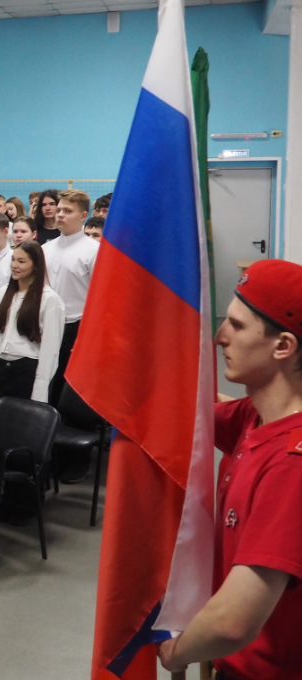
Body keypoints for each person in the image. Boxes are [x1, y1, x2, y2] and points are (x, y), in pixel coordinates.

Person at [157, 259, 302, 680]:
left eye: (236, 326)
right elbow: (195, 413)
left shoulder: (290, 466)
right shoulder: (256, 416)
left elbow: (233, 622)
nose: (220, 337)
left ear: (283, 346)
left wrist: (178, 652)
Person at [41, 190, 99, 480]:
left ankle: (76, 461)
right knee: (49, 392)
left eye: (67, 211)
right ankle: (48, 457)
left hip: (79, 329)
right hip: (48, 328)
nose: (60, 214)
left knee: (74, 396)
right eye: (59, 210)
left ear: (83, 215)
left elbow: (100, 298)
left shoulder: (93, 250)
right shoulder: (46, 248)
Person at [0, 241, 64, 405]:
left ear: (35, 266)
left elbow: (50, 350)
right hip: (1, 368)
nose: (14, 265)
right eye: (13, 259)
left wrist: (40, 391)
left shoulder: (49, 299)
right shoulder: (3, 292)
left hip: (26, 371)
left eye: (21, 261)